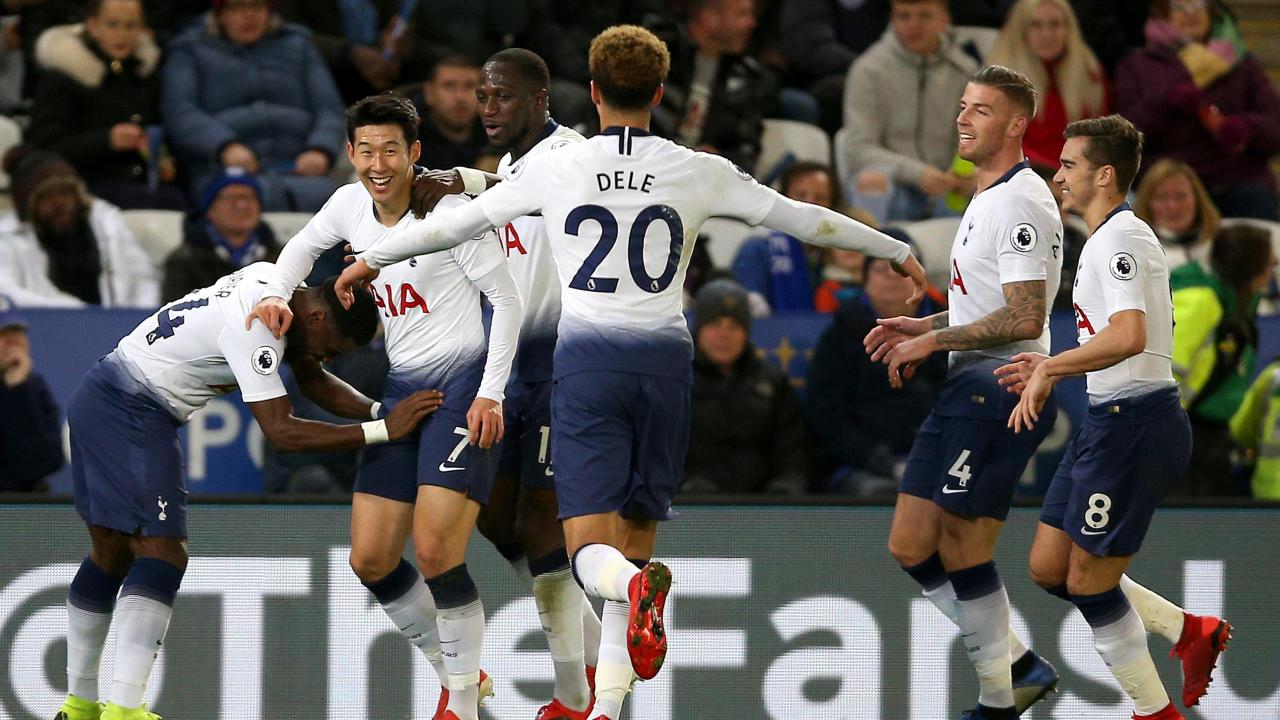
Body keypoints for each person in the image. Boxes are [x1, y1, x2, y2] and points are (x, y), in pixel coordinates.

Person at [333, 26, 927, 720]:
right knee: (635, 542)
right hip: (669, 364)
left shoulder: (563, 167)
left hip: (585, 365)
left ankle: (612, 632)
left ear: (591, 92)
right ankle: (605, 707)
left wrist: (373, 258)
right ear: (661, 92)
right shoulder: (696, 167)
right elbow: (801, 219)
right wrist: (893, 246)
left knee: (587, 551)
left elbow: (450, 227)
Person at [53, 265, 441, 720]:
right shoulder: (261, 329)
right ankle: (123, 710)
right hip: (133, 408)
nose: (329, 359)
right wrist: (380, 431)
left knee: (113, 554)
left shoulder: (275, 284)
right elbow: (282, 432)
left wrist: (381, 411)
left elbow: (314, 380)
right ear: (317, 319)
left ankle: (79, 707)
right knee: (161, 554)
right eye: (331, 349)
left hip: (102, 394)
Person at [248, 94, 522, 720]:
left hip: (464, 386)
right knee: (370, 557)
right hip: (404, 390)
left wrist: (491, 392)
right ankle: (462, 673)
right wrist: (273, 295)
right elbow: (297, 249)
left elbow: (506, 303)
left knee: (434, 550)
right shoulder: (348, 205)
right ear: (350, 154)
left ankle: (455, 702)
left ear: (415, 154)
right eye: (366, 150)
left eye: (391, 150)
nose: (378, 163)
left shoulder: (450, 213)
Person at [998, 113, 1230, 720]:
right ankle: (1188, 631)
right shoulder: (1106, 238)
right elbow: (1114, 338)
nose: (1059, 175)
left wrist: (1052, 369)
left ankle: (1154, 713)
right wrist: (1054, 364)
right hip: (1109, 416)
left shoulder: (1121, 238)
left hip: (1137, 422)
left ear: (1105, 174)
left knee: (1090, 581)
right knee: (1050, 567)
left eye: (1069, 164)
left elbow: (1129, 335)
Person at [863, 65, 1063, 720]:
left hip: (1002, 386)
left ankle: (998, 700)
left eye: (981, 110)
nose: (963, 118)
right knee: (908, 543)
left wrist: (931, 344)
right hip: (966, 385)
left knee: (960, 546)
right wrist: (925, 324)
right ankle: (1016, 663)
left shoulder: (1022, 201)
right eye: (962, 106)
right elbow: (987, 306)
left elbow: (1026, 318)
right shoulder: (985, 198)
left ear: (1014, 125)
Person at [412, 48, 604, 720]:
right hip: (506, 365)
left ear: (541, 97)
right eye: (482, 97)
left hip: (561, 362)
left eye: (501, 97)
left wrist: (459, 187)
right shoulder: (517, 164)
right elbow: (512, 193)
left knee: (534, 519)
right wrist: (469, 178)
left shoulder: (573, 156)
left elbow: (539, 194)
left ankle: (577, 697)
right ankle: (597, 652)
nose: (486, 108)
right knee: (495, 516)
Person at [161, 0, 346, 213]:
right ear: (220, 13)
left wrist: (320, 149)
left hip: (300, 168)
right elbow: (180, 111)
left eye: (257, 6)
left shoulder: (298, 44)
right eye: (238, 7)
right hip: (224, 170)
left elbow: (329, 107)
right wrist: (224, 147)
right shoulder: (190, 50)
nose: (249, 15)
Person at [1114, 0, 1280, 220]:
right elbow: (1124, 133)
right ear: (1163, 13)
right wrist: (1164, 102)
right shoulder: (1137, 65)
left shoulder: (1244, 64)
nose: (1190, 14)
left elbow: (1274, 127)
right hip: (1169, 178)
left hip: (1236, 178)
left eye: (1198, 6)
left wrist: (1245, 128)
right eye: (1180, 7)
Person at [807, 249, 946, 495]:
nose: (891, 277)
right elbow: (826, 413)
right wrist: (878, 460)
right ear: (864, 279)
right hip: (862, 464)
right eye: (881, 269)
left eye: (901, 270)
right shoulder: (840, 333)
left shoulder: (954, 331)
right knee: (880, 493)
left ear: (920, 279)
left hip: (942, 457)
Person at [27, 0, 187, 211]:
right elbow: (46, 148)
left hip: (146, 183)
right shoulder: (63, 79)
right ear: (93, 26)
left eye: (130, 26)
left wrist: (165, 160)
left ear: (142, 30)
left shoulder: (145, 75)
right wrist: (107, 140)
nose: (122, 34)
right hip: (85, 186)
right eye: (112, 25)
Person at [841, 0, 983, 222]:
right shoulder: (868, 69)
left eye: (924, 16)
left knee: (990, 188)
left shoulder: (965, 71)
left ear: (944, 21)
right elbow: (858, 148)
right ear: (892, 19)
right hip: (895, 184)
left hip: (947, 189)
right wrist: (917, 173)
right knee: (870, 181)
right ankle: (871, 257)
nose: (913, 25)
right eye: (904, 16)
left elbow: (975, 140)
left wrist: (972, 176)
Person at [1170, 224, 1274, 497]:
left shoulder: (1237, 305)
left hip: (1211, 438)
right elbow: (1166, 372)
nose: (1272, 269)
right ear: (1249, 269)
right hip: (1179, 433)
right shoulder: (1201, 300)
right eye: (1268, 262)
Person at [684, 279, 810, 495]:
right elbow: (658, 451)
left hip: (763, 507)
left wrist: (788, 482)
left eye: (733, 326)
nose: (724, 335)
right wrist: (684, 485)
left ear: (746, 333)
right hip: (693, 504)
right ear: (699, 330)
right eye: (715, 325)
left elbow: (793, 448)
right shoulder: (677, 381)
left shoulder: (772, 381)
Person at [0, 147, 158, 308]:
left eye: (65, 193)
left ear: (79, 196)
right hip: (44, 328)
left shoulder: (107, 221)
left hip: (118, 326)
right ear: (30, 207)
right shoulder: (8, 235)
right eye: (46, 197)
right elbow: (6, 291)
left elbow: (143, 279)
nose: (58, 203)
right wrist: (76, 313)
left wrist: (140, 324)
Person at [648, 0, 779, 174]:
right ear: (708, 17)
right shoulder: (653, 55)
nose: (752, 23)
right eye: (742, 14)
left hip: (705, 183)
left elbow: (747, 152)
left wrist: (720, 159)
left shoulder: (749, 79)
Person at [986, 0, 1109, 174]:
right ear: (1021, 31)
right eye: (1036, 25)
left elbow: (1100, 138)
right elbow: (999, 144)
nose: (1047, 34)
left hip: (1080, 177)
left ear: (1068, 29)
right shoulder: (1000, 80)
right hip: (1020, 176)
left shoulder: (1090, 74)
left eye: (1055, 24)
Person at [730, 161, 840, 313]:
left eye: (820, 197)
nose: (810, 203)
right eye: (801, 195)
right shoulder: (758, 248)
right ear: (783, 198)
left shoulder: (842, 254)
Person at [161, 167, 283, 302]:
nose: (242, 205)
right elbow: (174, 316)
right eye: (231, 198)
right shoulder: (184, 261)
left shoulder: (282, 256)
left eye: (249, 197)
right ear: (210, 209)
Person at [0, 295, 64, 493]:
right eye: (4, 336)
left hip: (19, 510)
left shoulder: (33, 388)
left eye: (17, 334)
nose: (14, 344)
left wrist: (17, 390)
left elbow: (43, 463)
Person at [410, 54, 501, 172]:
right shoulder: (408, 141)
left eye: (469, 86)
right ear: (429, 93)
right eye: (449, 86)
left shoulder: (500, 136)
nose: (460, 97)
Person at [1132, 158, 1221, 269]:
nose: (1172, 206)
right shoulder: (1134, 253)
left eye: (1180, 196)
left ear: (1197, 199)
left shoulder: (1223, 242)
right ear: (1146, 204)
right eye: (1162, 198)